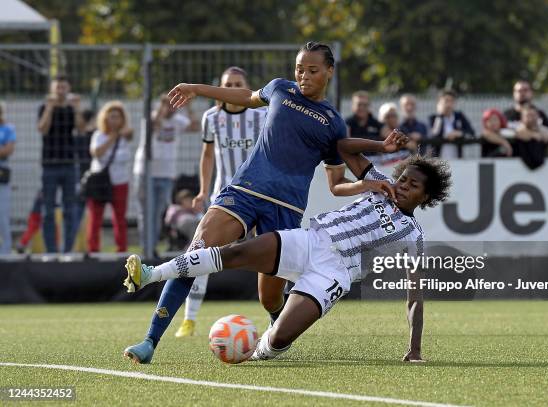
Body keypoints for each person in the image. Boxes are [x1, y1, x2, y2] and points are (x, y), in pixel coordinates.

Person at [123, 42, 377, 364]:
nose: (304, 76)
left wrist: (366, 184)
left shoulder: (333, 123)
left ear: (329, 71)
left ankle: (277, 332)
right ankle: (149, 342)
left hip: (286, 209)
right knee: (195, 255)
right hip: (243, 191)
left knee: (269, 296)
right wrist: (197, 89)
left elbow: (335, 183)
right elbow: (245, 97)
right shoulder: (280, 89)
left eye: (312, 70)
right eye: (300, 68)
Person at [124, 131, 451, 363]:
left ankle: (258, 350)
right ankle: (152, 273)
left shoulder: (414, 237)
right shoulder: (380, 184)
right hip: (312, 241)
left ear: (427, 197)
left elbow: (414, 297)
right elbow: (343, 146)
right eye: (404, 178)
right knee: (237, 252)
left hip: (333, 275)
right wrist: (378, 149)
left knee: (281, 338)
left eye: (414, 184)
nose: (404, 185)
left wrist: (415, 348)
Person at [175, 66, 266, 338]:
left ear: (247, 87)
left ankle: (278, 320)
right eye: (229, 83)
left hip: (259, 196)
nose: (234, 88)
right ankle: (189, 319)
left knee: (273, 255)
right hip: (224, 197)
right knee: (200, 253)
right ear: (221, 88)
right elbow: (207, 155)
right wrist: (203, 191)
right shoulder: (211, 118)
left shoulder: (260, 115)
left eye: (239, 83)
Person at [133, 94, 198, 252]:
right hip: (145, 173)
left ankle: (152, 246)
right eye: (167, 105)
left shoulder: (178, 120)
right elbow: (153, 126)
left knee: (159, 212)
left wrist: (188, 107)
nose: (171, 108)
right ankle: (146, 247)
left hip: (166, 174)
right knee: (146, 212)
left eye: (173, 105)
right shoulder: (152, 117)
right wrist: (161, 110)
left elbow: (196, 126)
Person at [37, 75, 84, 253]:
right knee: (48, 210)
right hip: (49, 164)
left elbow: (81, 129)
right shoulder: (44, 107)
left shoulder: (72, 109)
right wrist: (50, 107)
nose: (60, 92)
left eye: (63, 88)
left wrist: (77, 107)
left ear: (68, 89)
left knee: (69, 210)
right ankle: (51, 251)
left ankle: (67, 251)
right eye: (57, 88)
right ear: (52, 90)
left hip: (69, 164)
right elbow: (42, 128)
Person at [86, 101, 133, 252]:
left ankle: (122, 251)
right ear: (105, 118)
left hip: (120, 182)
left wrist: (111, 147)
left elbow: (125, 157)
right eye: (111, 117)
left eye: (117, 117)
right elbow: (97, 154)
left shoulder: (126, 138)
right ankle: (93, 251)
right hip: (99, 183)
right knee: (95, 219)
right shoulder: (98, 135)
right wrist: (112, 138)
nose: (114, 120)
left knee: (119, 219)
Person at [428, 90, 475, 158]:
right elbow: (434, 135)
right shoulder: (433, 118)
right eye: (446, 101)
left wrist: (459, 133)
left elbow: (471, 133)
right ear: (439, 103)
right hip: (437, 161)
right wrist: (440, 116)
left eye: (452, 101)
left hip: (457, 160)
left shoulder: (460, 117)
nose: (449, 104)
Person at [513, 104, 548, 169]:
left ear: (538, 116)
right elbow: (518, 133)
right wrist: (533, 135)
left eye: (533, 115)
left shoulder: (543, 129)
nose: (531, 118)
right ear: (522, 118)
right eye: (528, 116)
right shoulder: (518, 129)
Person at [0, 102, 16, 254]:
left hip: (2, 173)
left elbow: (7, 150)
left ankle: (5, 250)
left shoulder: (8, 128)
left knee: (2, 213)